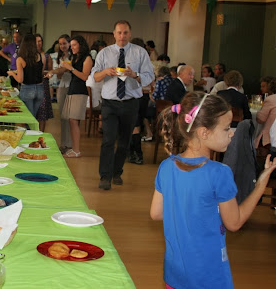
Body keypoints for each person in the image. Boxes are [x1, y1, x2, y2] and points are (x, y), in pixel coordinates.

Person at [150, 92, 276, 289]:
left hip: (174, 275)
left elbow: (156, 213)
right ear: (204, 132)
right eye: (226, 128)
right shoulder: (219, 173)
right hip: (209, 277)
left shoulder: (166, 166)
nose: (232, 133)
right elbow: (234, 223)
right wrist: (260, 185)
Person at [91, 20, 154, 190]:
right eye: (119, 33)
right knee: (108, 140)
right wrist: (106, 71)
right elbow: (95, 77)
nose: (122, 36)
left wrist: (135, 75)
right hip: (110, 103)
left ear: (130, 34)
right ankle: (105, 176)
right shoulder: (104, 53)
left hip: (131, 103)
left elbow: (149, 76)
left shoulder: (140, 53)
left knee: (124, 141)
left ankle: (117, 171)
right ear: (113, 34)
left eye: (125, 33)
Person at [59, 36, 92, 158]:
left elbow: (84, 76)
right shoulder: (75, 57)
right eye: (71, 45)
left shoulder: (87, 58)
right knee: (71, 120)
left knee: (74, 120)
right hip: (72, 89)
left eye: (74, 45)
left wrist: (71, 68)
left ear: (80, 45)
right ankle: (73, 148)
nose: (71, 47)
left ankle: (77, 150)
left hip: (80, 91)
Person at [7, 34, 45, 117]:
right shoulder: (41, 56)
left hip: (27, 89)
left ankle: (31, 130)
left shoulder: (20, 59)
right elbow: (41, 72)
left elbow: (20, 79)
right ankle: (34, 130)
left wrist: (12, 73)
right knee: (34, 116)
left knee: (29, 118)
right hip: (40, 89)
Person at [51, 34, 72, 153]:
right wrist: (57, 72)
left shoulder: (73, 55)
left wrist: (54, 71)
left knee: (70, 117)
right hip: (61, 86)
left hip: (71, 87)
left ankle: (69, 144)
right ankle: (64, 143)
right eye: (60, 44)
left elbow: (64, 70)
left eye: (64, 43)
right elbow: (60, 74)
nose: (62, 46)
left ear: (69, 43)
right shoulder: (60, 56)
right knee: (63, 117)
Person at [34, 34, 54, 132]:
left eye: (40, 41)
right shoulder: (29, 56)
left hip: (43, 85)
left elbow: (51, 71)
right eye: (36, 41)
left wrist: (48, 74)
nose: (38, 43)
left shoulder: (47, 56)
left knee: (42, 112)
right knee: (32, 111)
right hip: (32, 85)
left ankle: (40, 133)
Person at [255, 78, 276, 153]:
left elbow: (261, 119)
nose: (261, 88)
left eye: (263, 86)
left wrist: (257, 113)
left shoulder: (270, 99)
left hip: (270, 137)